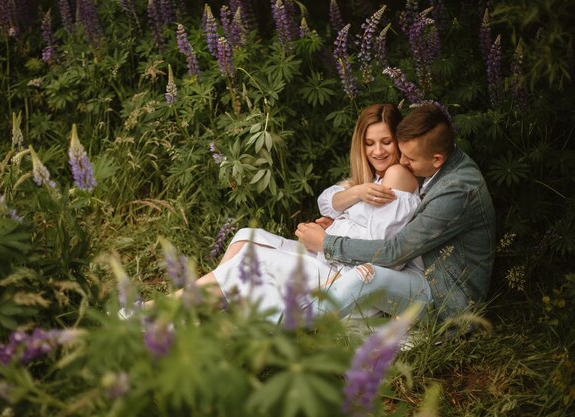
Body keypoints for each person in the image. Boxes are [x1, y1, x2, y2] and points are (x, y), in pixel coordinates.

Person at [149, 103, 430, 323]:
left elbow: (381, 252)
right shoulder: (374, 178)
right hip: (330, 262)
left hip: (343, 278)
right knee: (247, 237)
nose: (377, 151)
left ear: (399, 141)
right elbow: (327, 201)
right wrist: (354, 196)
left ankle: (162, 311)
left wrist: (327, 238)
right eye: (369, 143)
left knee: (251, 260)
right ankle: (200, 309)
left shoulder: (396, 174)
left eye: (386, 142)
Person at [296, 103, 497, 322]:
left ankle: (287, 326)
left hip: (445, 300)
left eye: (409, 158)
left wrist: (328, 244)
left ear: (437, 159)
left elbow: (394, 251)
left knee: (365, 277)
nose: (401, 161)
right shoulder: (442, 166)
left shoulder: (456, 192)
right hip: (419, 272)